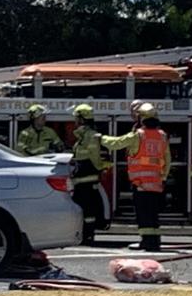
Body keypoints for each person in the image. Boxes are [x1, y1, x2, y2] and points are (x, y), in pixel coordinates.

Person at [102, 102, 170, 251]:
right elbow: (167, 160)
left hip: (141, 184)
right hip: (156, 183)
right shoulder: (162, 136)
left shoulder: (138, 136)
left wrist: (100, 138)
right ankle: (155, 241)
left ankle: (147, 242)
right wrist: (163, 178)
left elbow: (117, 143)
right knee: (153, 214)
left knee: (143, 214)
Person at [69, 104, 110, 244]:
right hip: (81, 181)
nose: (75, 120)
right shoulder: (82, 135)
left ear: (82, 119)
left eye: (76, 118)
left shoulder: (91, 135)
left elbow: (95, 157)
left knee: (88, 210)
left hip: (88, 181)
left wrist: (100, 168)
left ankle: (88, 235)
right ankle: (84, 234)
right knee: (83, 208)